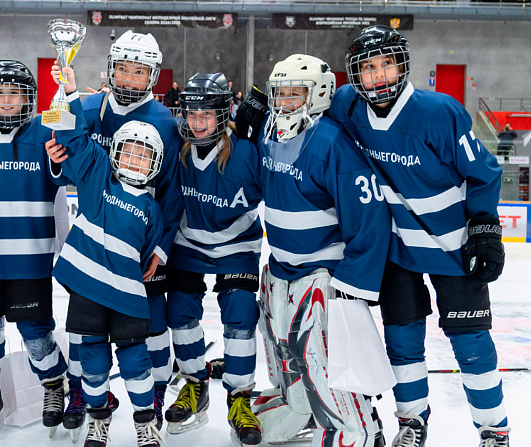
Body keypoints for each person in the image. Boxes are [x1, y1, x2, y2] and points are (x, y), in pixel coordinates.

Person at [328, 25, 508, 447]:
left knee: (472, 346)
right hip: (398, 251)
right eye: (368, 68)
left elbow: (483, 173)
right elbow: (309, 118)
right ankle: (412, 423)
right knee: (402, 344)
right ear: (355, 75)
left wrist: (484, 228)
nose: (379, 76)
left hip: (453, 249)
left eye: (387, 64)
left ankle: (493, 429)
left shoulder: (439, 112)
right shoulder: (347, 106)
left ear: (402, 64)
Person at [252, 54, 389, 447]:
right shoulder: (268, 131)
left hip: (321, 274)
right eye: (280, 94)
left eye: (296, 94)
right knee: (283, 353)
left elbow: (369, 218)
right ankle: (300, 410)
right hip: (279, 267)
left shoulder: (333, 143)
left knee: (321, 359)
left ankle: (356, 430)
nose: (285, 102)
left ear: (319, 95)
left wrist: (353, 283)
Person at [56, 30, 183, 439]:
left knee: (151, 330)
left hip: (139, 244)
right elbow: (64, 156)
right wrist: (56, 161)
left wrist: (161, 248)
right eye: (123, 69)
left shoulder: (166, 123)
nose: (129, 79)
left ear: (153, 77)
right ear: (110, 69)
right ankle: (84, 393)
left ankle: (154, 396)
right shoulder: (87, 105)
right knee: (87, 329)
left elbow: (174, 193)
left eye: (138, 72)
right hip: (94, 239)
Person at [0, 60, 68, 438]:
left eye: (16, 93)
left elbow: (63, 175)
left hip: (30, 262)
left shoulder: (44, 133)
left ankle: (55, 385)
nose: (7, 101)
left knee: (37, 336)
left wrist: (69, 93)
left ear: (28, 98)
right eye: (0, 93)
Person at [163, 72, 263, 446]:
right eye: (191, 113)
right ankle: (194, 384)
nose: (198, 122)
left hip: (236, 246)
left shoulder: (247, 151)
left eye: (207, 114)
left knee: (240, 314)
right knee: (180, 313)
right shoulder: (176, 148)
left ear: (224, 113)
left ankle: (240, 398)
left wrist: (266, 124)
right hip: (188, 243)